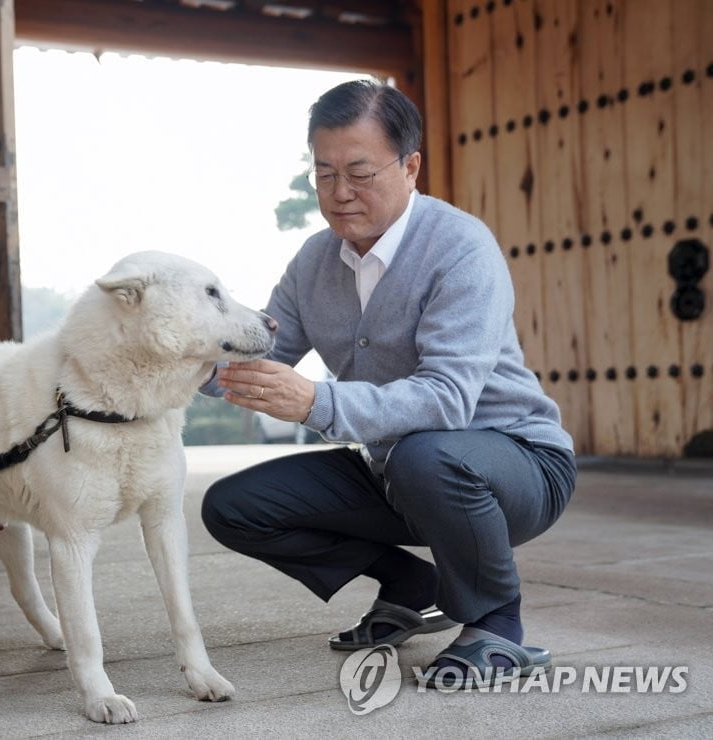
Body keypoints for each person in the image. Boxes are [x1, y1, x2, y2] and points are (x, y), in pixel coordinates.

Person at [200, 79, 576, 689]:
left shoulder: (460, 247)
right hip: (398, 472)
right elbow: (256, 356)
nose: (339, 193)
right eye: (323, 174)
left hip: (516, 465)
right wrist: (169, 353)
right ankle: (410, 585)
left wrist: (318, 401)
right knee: (234, 507)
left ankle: (498, 627)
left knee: (427, 455)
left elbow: (448, 399)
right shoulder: (312, 262)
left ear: (410, 166)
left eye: (360, 172)